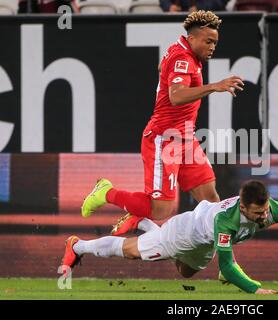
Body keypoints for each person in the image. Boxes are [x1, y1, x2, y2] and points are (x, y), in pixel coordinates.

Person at [80, 11, 245, 236]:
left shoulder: (182, 50)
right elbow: (176, 96)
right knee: (161, 209)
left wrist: (165, 70)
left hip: (185, 137)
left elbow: (162, 68)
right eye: (208, 41)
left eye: (215, 42)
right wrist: (214, 86)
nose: (212, 47)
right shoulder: (183, 58)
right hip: (164, 137)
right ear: (192, 38)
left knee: (211, 199)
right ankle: (106, 192)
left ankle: (223, 260)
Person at [63, 180, 278, 294]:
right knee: (133, 252)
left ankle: (144, 222)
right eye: (257, 213)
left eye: (265, 210)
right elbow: (227, 267)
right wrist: (254, 290)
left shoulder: (275, 209)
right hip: (184, 233)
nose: (263, 217)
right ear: (244, 208)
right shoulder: (227, 222)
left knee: (186, 272)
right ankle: (79, 246)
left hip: (202, 243)